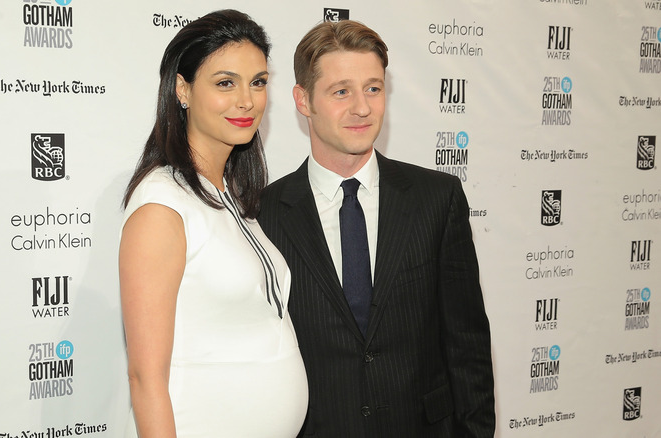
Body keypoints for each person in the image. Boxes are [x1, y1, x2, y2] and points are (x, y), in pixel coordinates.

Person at [258, 20, 495, 437]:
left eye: (373, 88)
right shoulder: (264, 214)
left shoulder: (437, 199)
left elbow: (467, 347)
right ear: (303, 100)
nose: (363, 108)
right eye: (341, 91)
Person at [119, 9, 308, 438]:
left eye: (258, 82)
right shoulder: (162, 205)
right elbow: (145, 379)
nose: (247, 100)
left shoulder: (232, 196)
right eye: (226, 83)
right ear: (182, 90)